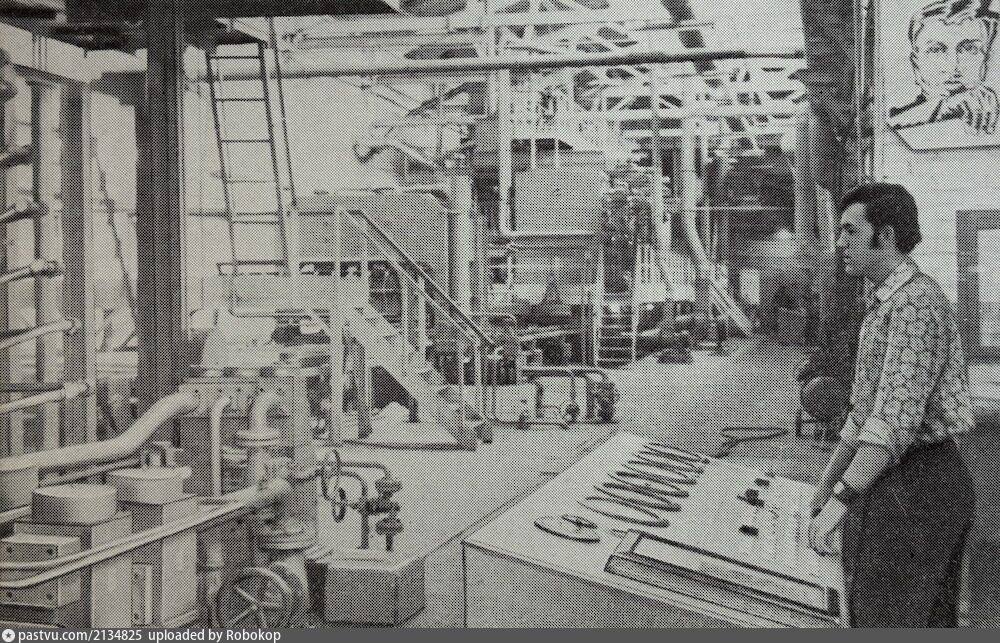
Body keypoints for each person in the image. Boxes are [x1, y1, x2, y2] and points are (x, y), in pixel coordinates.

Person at [807, 183, 976, 627]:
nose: (839, 243)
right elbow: (862, 416)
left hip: (922, 483)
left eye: (850, 231)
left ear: (884, 236)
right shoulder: (886, 304)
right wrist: (825, 487)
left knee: (888, 621)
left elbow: (891, 424)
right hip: (894, 478)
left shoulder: (916, 305)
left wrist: (840, 500)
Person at [889, 0, 1000, 134]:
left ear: (985, 60)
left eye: (969, 48)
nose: (952, 66)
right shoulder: (891, 121)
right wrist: (943, 107)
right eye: (936, 50)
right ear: (916, 64)